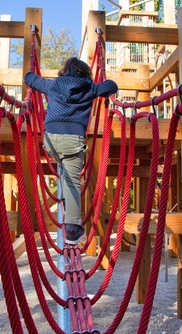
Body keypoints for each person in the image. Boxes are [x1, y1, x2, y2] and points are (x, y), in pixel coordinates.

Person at [24, 57, 118, 245]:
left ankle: (68, 202)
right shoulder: (90, 88)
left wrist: (30, 70)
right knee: (73, 180)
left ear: (64, 71)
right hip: (72, 138)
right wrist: (99, 83)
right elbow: (111, 86)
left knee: (66, 171)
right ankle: (73, 229)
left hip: (50, 140)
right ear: (85, 73)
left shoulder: (52, 85)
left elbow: (30, 79)